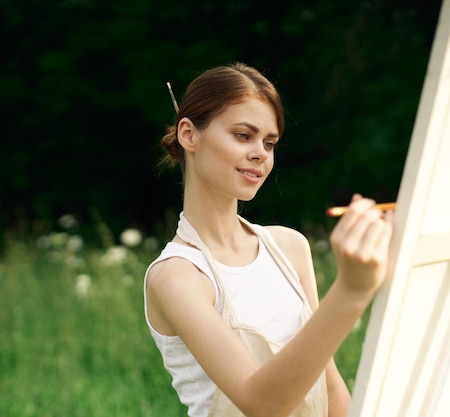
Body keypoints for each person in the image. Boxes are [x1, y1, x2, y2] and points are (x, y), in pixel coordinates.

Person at [143, 62, 394, 417]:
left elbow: (330, 384)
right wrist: (352, 291)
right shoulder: (177, 276)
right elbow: (261, 403)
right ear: (188, 135)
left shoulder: (289, 247)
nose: (261, 152)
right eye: (243, 135)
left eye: (270, 142)